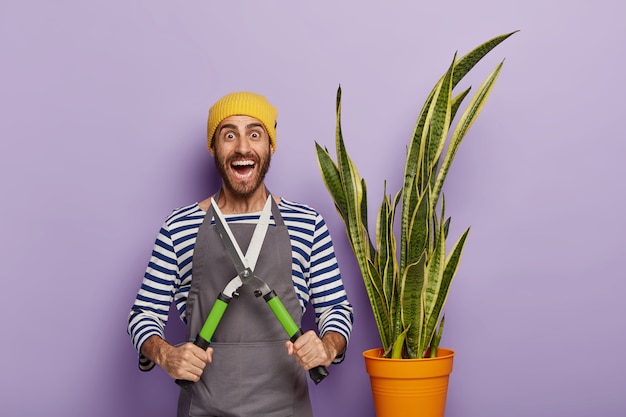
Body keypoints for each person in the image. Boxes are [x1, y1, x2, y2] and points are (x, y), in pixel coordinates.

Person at [127, 91, 354, 417]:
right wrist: (164, 354)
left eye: (255, 134)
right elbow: (143, 315)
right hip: (202, 408)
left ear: (269, 146)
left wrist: (327, 346)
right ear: (213, 147)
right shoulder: (179, 226)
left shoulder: (308, 224)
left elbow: (337, 309)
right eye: (229, 135)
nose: (243, 147)